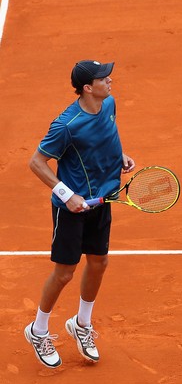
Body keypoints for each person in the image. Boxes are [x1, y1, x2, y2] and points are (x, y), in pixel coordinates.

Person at [24, 60, 135, 367]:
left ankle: (81, 324)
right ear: (88, 87)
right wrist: (67, 195)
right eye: (104, 78)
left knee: (99, 263)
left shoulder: (109, 103)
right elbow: (36, 162)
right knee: (65, 273)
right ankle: (38, 329)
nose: (110, 81)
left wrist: (120, 156)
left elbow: (109, 135)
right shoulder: (66, 126)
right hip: (72, 208)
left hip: (103, 198)